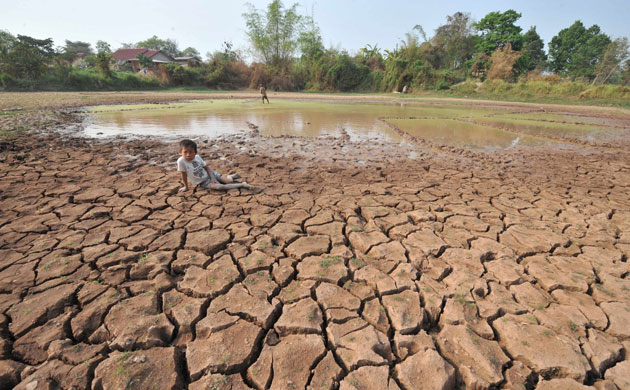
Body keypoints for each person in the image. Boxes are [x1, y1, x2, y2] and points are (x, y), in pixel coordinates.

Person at [177, 139, 251, 191]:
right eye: (185, 152)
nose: (188, 155)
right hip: (203, 182)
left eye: (191, 152)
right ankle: (242, 184)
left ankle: (230, 177)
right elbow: (183, 175)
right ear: (180, 152)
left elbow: (207, 168)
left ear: (195, 152)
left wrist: (213, 178)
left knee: (228, 181)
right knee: (220, 187)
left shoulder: (197, 157)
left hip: (211, 174)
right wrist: (186, 187)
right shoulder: (181, 161)